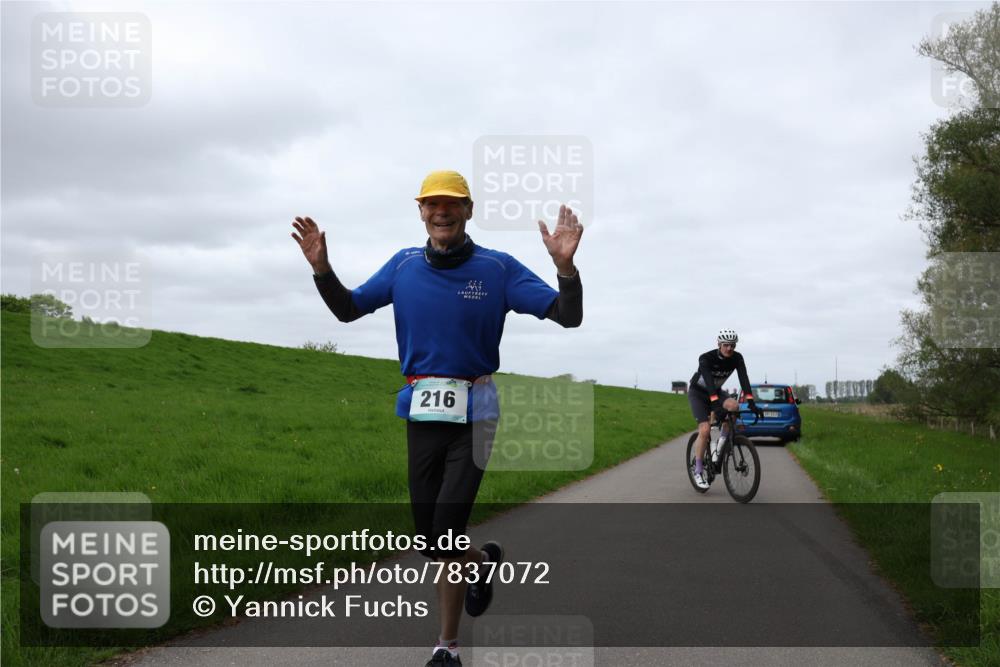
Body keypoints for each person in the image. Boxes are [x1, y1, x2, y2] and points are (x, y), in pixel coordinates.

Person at [291, 170, 583, 667]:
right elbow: (347, 310)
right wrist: (322, 269)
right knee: (431, 540)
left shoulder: (498, 268)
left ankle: (446, 646)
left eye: (451, 204)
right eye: (431, 205)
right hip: (421, 414)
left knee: (446, 529)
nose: (441, 212)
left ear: (468, 210)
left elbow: (566, 315)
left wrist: (565, 269)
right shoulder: (403, 265)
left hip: (477, 413)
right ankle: (481, 562)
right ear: (421, 212)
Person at [687, 329, 762, 490]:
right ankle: (698, 470)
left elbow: (744, 378)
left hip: (717, 392)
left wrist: (751, 402)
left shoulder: (737, 358)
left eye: (732, 345)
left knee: (734, 406)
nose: (729, 348)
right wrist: (714, 405)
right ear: (719, 344)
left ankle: (722, 442)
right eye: (726, 345)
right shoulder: (706, 358)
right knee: (705, 429)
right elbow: (708, 380)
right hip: (699, 393)